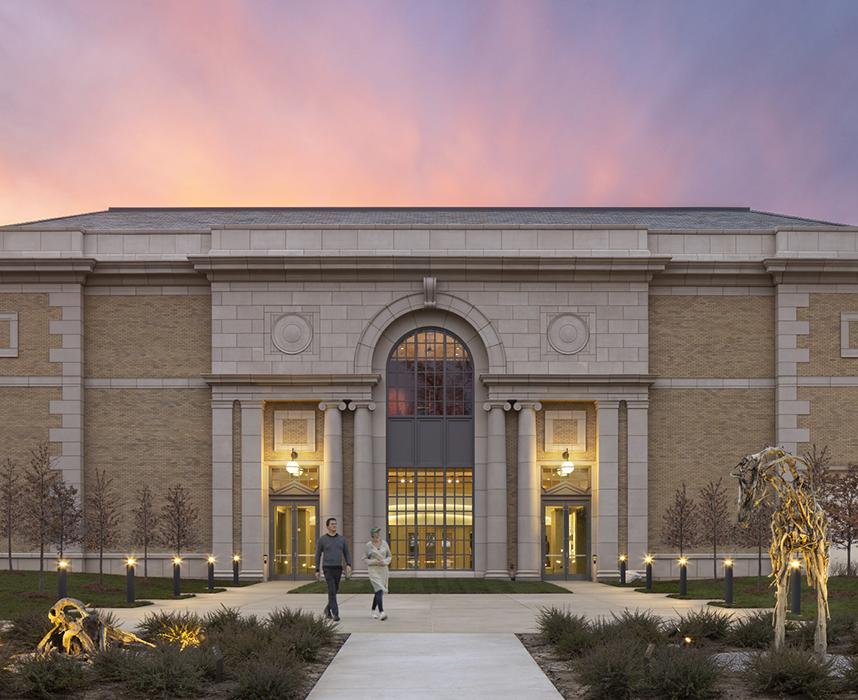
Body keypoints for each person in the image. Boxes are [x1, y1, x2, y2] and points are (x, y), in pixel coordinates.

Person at [315, 517, 351, 621]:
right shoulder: (322, 540)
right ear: (327, 526)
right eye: (332, 524)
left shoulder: (342, 539)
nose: (334, 526)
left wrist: (348, 564)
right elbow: (317, 555)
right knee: (331, 590)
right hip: (327, 568)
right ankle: (336, 614)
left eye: (335, 524)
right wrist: (317, 569)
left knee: (335, 590)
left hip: (338, 568)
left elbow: (346, 553)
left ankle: (327, 609)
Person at [365, 526, 391, 620]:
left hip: (383, 570)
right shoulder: (368, 545)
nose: (377, 534)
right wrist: (374, 562)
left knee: (378, 591)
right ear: (372, 535)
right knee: (379, 589)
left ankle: (372, 611)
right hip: (373, 570)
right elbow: (365, 558)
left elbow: (389, 556)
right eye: (375, 533)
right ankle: (381, 612)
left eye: (378, 532)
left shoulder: (384, 543)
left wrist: (385, 562)